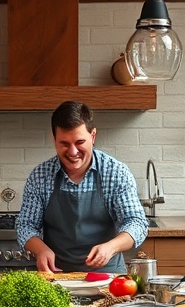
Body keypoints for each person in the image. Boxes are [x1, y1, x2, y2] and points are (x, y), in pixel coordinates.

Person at [16, 101, 148, 273]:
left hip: (108, 278)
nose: (72, 152)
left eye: (79, 142)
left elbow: (136, 223)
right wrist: (40, 249)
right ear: (54, 138)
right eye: (64, 143)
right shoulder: (40, 176)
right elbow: (26, 226)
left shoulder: (116, 172)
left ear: (93, 136)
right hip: (57, 276)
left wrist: (111, 247)